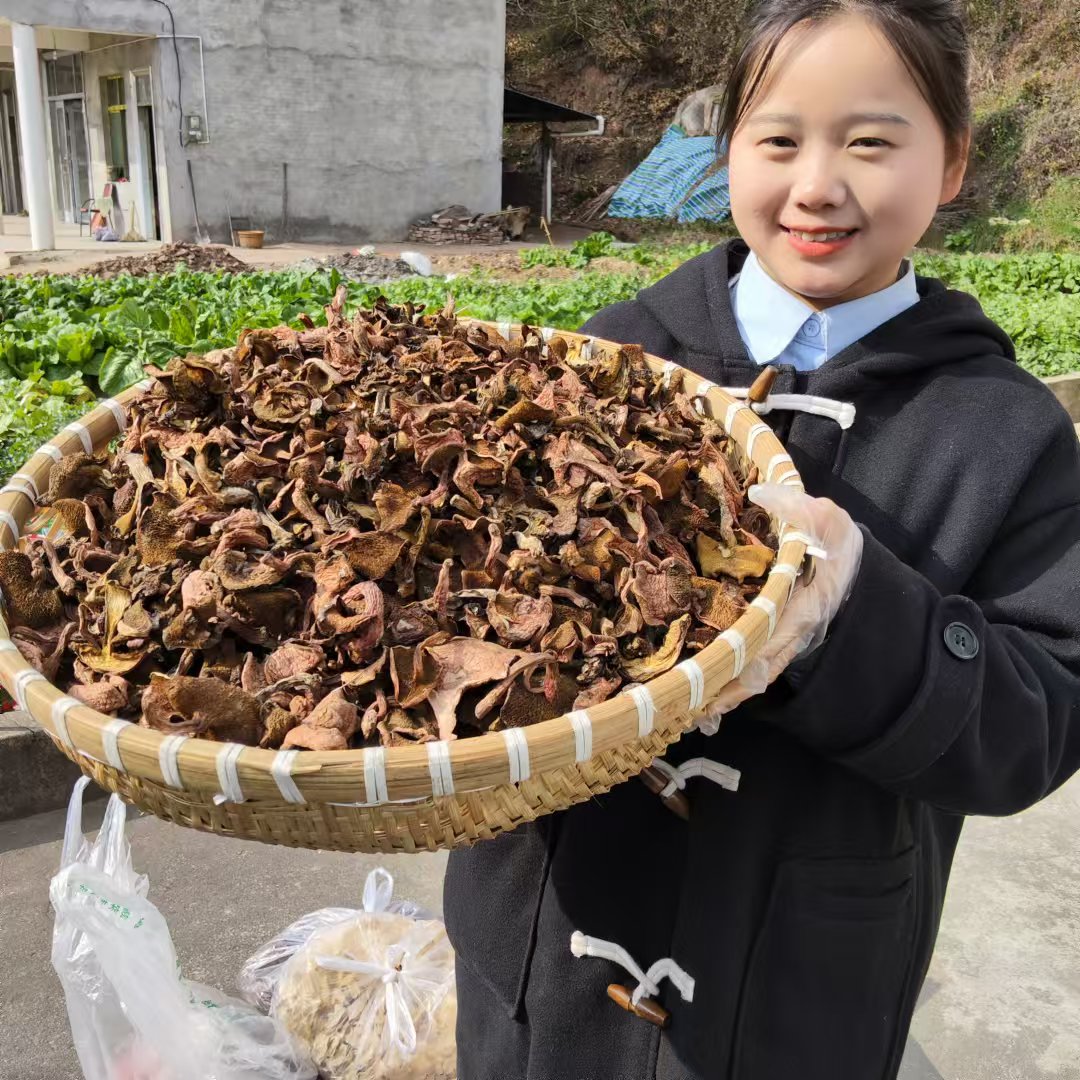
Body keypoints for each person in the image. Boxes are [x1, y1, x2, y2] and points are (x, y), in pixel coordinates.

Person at [443, 2, 1080, 1077]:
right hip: (543, 951)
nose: (817, 187)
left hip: (798, 983)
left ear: (955, 160)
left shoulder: (1006, 432)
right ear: (726, 148)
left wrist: (857, 613)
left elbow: (1040, 721)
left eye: (871, 142)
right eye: (777, 140)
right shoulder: (607, 359)